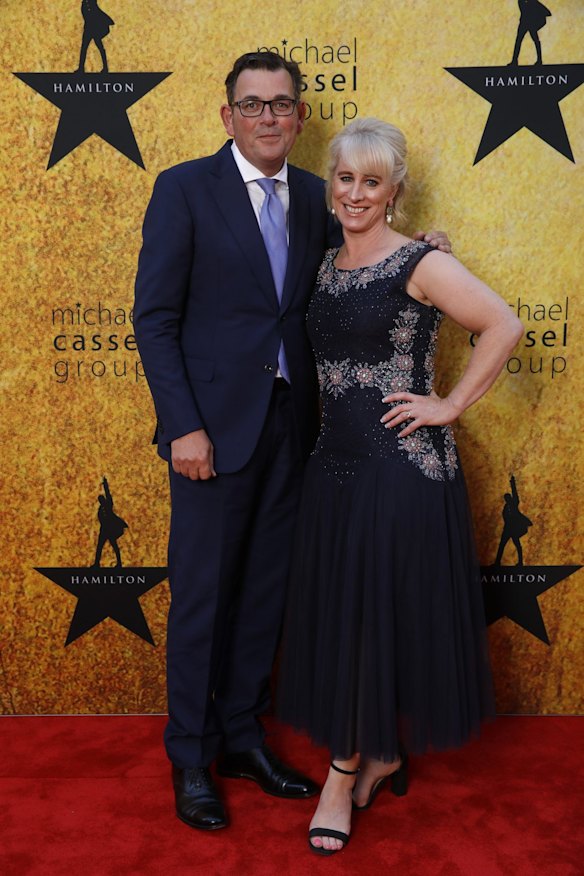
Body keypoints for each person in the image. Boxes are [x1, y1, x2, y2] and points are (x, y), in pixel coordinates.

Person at [134, 52, 450, 832]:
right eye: (252, 105)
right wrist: (183, 426)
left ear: (301, 117)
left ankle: (243, 738)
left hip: (298, 431)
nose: (268, 117)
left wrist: (427, 252)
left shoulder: (318, 196)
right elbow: (155, 319)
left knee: (266, 598)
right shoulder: (184, 189)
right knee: (204, 599)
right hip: (209, 433)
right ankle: (191, 756)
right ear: (228, 116)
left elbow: (367, 257)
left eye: (281, 104)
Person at [276, 118, 524, 855]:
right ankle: (381, 754)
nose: (355, 194)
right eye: (345, 179)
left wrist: (448, 405)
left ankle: (340, 775)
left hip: (400, 470)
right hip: (334, 466)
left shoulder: (420, 262)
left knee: (364, 619)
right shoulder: (321, 265)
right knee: (354, 618)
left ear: (394, 191)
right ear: (333, 185)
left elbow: (503, 324)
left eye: (372, 182)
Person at [75, 0, 115, 74]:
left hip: (93, 28)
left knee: (98, 48)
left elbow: (95, 13)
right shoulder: (85, 3)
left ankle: (105, 68)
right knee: (85, 48)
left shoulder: (91, 4)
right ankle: (81, 68)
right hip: (88, 28)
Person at [509, 0, 552, 66]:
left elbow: (548, 13)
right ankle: (515, 60)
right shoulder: (526, 2)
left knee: (533, 41)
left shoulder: (533, 2)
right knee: (519, 41)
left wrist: (536, 17)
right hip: (524, 23)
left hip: (530, 23)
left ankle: (539, 60)